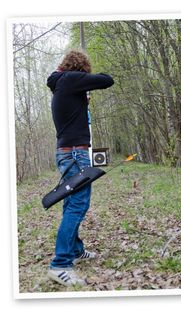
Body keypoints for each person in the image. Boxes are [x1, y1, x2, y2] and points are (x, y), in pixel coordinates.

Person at [46, 49, 114, 286]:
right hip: (75, 154)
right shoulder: (70, 80)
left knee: (71, 203)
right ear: (80, 69)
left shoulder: (61, 85)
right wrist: (84, 83)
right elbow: (107, 79)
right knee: (77, 205)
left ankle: (75, 250)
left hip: (70, 152)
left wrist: (82, 99)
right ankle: (60, 264)